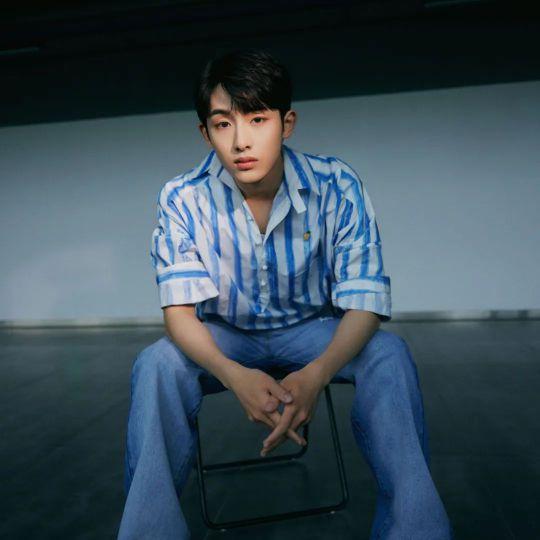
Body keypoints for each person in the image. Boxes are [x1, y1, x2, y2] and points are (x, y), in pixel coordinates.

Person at [117, 48, 454, 540]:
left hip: (312, 330)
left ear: (286, 123)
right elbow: (180, 315)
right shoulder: (182, 197)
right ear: (205, 133)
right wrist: (234, 376)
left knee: (389, 354)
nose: (241, 141)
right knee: (155, 365)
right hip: (225, 334)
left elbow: (364, 303)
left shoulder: (336, 184)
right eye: (223, 124)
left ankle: (417, 531)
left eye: (258, 119)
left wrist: (317, 374)